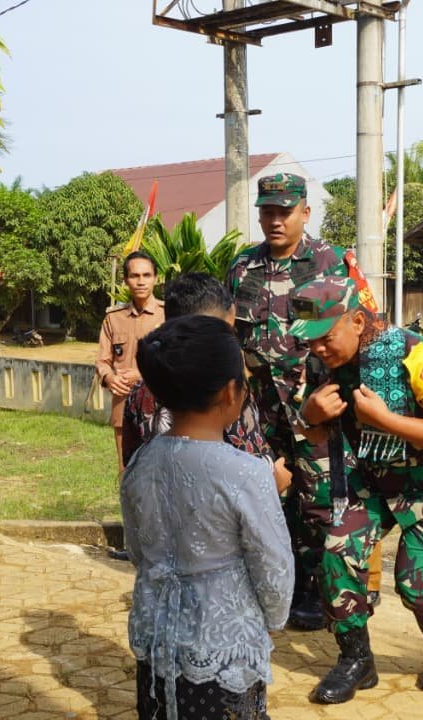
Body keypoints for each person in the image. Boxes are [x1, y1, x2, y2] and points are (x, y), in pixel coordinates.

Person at [293, 277, 423, 701]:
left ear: (357, 321)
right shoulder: (323, 365)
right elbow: (315, 433)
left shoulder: (413, 355)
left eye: (325, 337)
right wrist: (309, 415)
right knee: (336, 555)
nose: (318, 348)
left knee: (417, 579)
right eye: (310, 340)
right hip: (375, 475)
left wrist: (386, 420)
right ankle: (356, 660)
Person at [121, 314, 294, 720]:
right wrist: (273, 618)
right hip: (222, 645)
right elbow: (273, 567)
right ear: (230, 391)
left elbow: (137, 550)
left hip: (157, 637)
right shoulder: (246, 472)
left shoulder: (141, 462)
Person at [227, 173, 355, 631]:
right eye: (268, 211)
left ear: (305, 211)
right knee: (270, 497)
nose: (276, 220)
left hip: (316, 406)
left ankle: (322, 590)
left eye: (285, 211)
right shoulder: (242, 267)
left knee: (319, 499)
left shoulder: (331, 262)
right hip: (262, 409)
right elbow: (230, 336)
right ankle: (286, 583)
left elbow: (356, 330)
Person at [120, 272, 290, 486]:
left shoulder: (140, 390)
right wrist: (277, 480)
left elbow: (132, 462)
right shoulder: (223, 388)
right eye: (227, 332)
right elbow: (254, 471)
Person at [96, 251, 162, 469]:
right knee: (126, 472)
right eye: (134, 276)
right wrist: (109, 378)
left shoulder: (169, 315)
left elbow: (179, 362)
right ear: (125, 280)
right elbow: (103, 361)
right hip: (123, 408)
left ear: (156, 278)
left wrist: (142, 376)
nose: (141, 281)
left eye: (146, 275)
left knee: (159, 473)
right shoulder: (113, 318)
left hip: (160, 410)